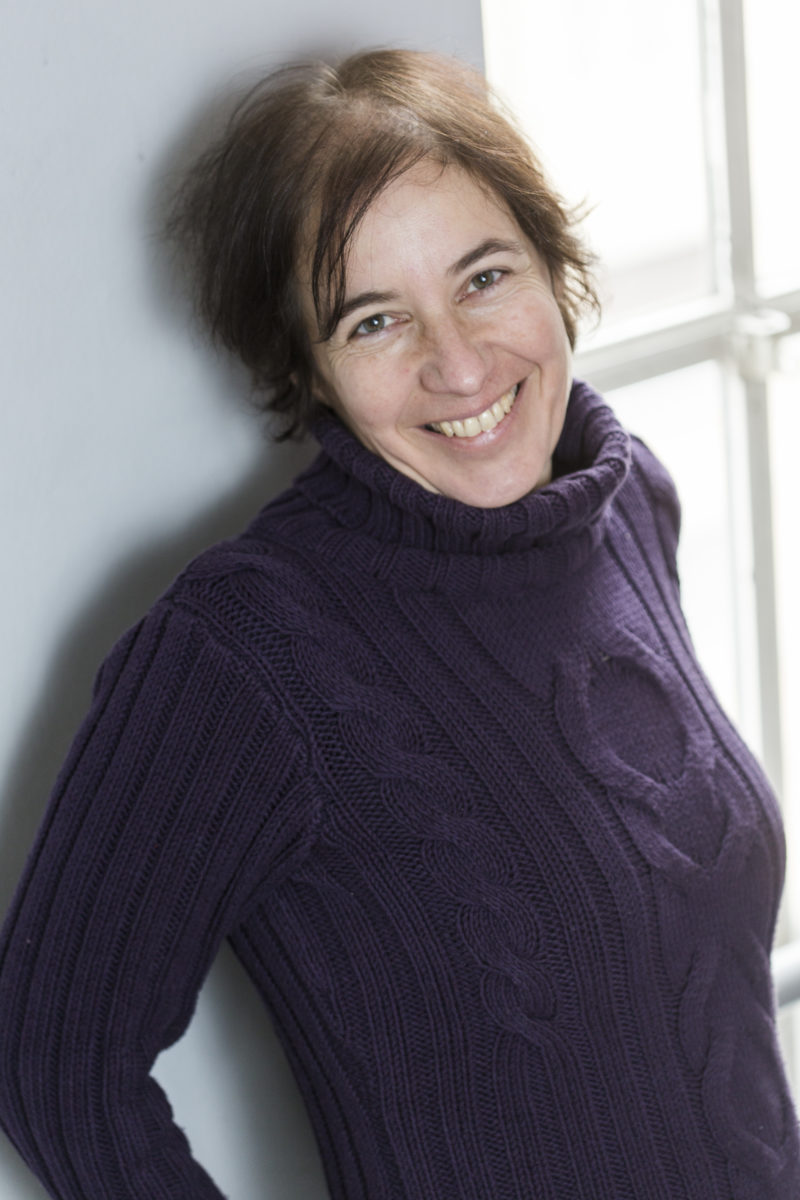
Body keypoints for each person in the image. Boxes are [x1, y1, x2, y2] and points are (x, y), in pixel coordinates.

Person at [0, 46, 797, 1200]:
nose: (457, 364)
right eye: (374, 321)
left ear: (552, 264)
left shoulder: (629, 508)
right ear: (308, 369)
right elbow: (50, 1060)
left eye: (483, 277)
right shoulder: (242, 651)